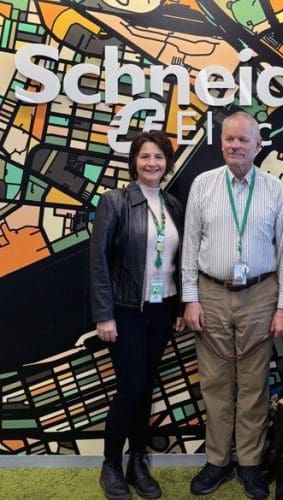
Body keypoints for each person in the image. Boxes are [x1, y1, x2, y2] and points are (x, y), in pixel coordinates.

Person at [182, 111, 283, 499]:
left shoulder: (275, 190)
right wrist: (190, 299)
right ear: (221, 143)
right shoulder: (203, 185)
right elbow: (188, 248)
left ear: (258, 145)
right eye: (229, 139)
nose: (235, 145)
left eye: (243, 140)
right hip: (210, 294)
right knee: (214, 383)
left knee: (253, 385)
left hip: (260, 294)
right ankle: (217, 461)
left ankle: (249, 464)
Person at [89, 130, 184, 500]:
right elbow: (98, 261)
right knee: (130, 389)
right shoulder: (115, 201)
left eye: (158, 157)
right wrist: (104, 315)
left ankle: (138, 462)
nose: (151, 163)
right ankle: (111, 463)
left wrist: (177, 308)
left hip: (161, 311)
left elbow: (177, 263)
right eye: (145, 157)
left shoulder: (173, 205)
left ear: (167, 163)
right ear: (134, 162)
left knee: (145, 390)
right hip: (126, 311)